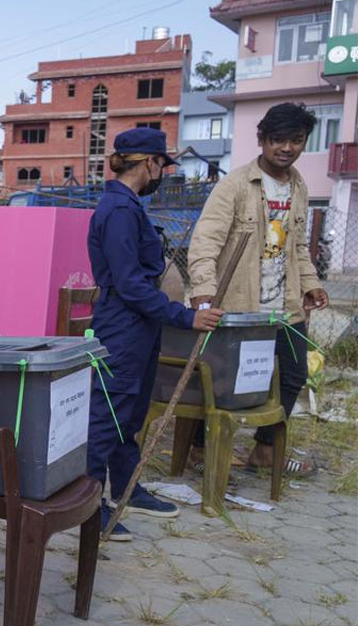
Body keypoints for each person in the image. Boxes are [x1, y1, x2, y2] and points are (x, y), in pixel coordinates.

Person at [85, 128, 224, 542]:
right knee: (108, 416)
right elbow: (130, 285)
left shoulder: (129, 207)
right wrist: (185, 317)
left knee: (130, 414)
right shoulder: (119, 211)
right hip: (122, 325)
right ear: (149, 163)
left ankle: (129, 488)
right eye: (162, 164)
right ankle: (91, 507)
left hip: (140, 325)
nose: (163, 172)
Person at [188, 103, 329, 475]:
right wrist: (203, 292)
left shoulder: (298, 185)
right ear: (262, 140)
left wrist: (311, 283)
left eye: (296, 140)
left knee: (294, 373)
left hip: (285, 304)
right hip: (240, 303)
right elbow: (205, 242)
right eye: (278, 139)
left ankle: (265, 451)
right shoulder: (235, 184)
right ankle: (201, 450)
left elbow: (297, 245)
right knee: (225, 381)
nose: (287, 148)